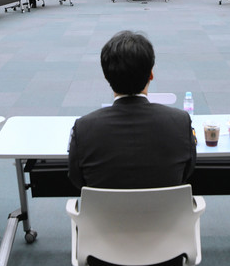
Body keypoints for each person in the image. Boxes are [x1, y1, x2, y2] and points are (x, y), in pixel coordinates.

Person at [68, 31, 196, 190]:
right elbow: (187, 172)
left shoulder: (84, 129)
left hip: (104, 208)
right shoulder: (180, 123)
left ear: (106, 76)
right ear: (151, 75)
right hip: (167, 207)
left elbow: (77, 179)